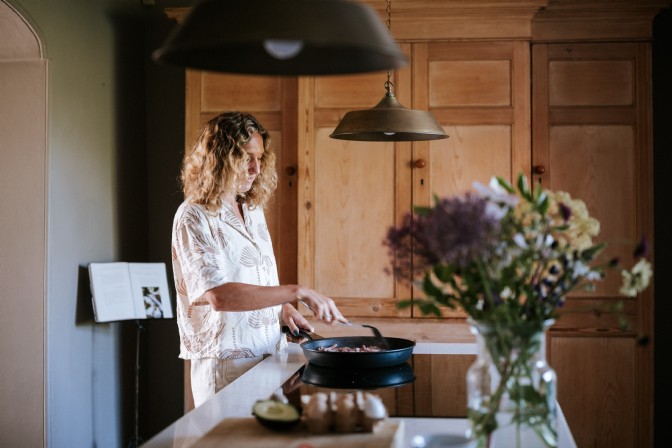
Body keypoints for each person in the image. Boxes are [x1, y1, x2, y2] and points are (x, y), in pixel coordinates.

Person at [171, 111, 347, 407]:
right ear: (220, 158)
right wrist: (297, 291)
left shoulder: (251, 211)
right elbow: (220, 296)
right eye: (246, 158)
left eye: (260, 158)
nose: (255, 168)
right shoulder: (194, 216)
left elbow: (253, 281)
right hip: (225, 366)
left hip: (270, 356)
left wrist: (282, 309)